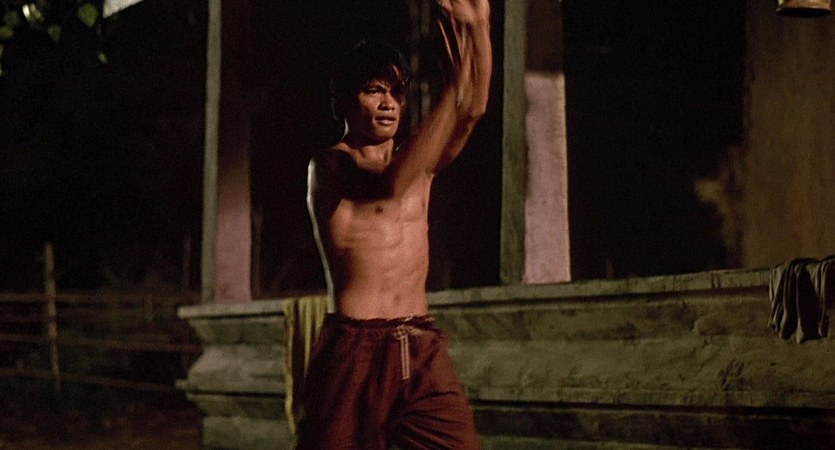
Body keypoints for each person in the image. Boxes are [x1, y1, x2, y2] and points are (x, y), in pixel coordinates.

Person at [297, 0, 491, 448]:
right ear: (344, 101)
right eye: (374, 90)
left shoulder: (419, 165)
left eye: (397, 93)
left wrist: (479, 29)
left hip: (420, 346)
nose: (388, 103)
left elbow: (473, 111)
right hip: (355, 353)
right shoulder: (329, 165)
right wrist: (456, 82)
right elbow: (390, 183)